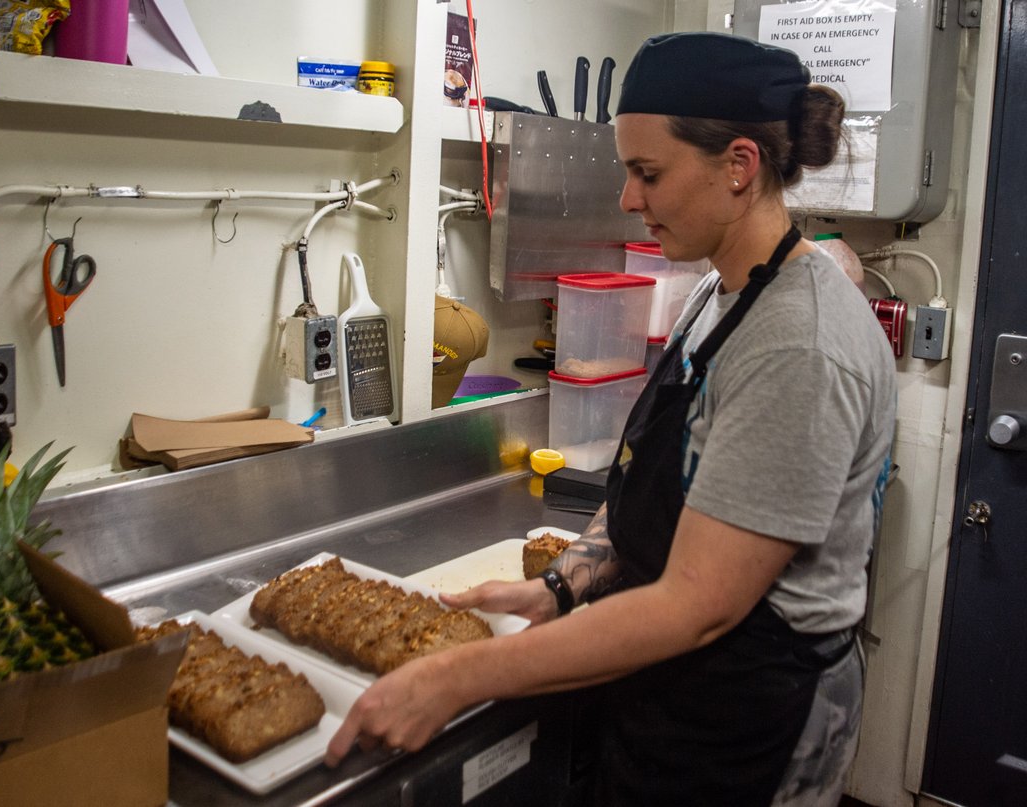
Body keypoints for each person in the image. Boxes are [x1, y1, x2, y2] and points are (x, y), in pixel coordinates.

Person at [326, 31, 896, 806]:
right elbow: (657, 494)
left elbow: (698, 604)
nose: (629, 199)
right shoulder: (719, 291)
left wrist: (453, 676)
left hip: (752, 715)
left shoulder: (799, 345)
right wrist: (560, 585)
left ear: (739, 165)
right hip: (678, 691)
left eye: (647, 173)